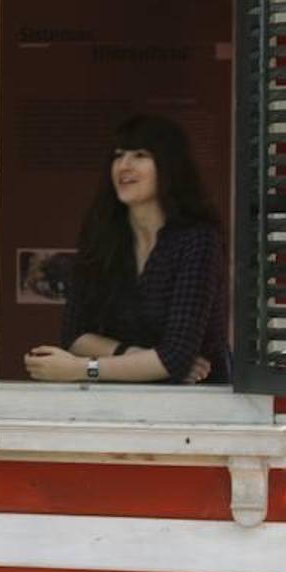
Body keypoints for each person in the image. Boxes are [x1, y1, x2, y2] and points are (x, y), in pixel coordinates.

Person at [24, 114, 228, 385]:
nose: (124, 166)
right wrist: (140, 357)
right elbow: (74, 336)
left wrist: (84, 369)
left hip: (197, 405)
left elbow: (176, 356)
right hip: (117, 401)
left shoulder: (197, 240)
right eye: (118, 156)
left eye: (140, 155)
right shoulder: (102, 235)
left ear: (169, 167)